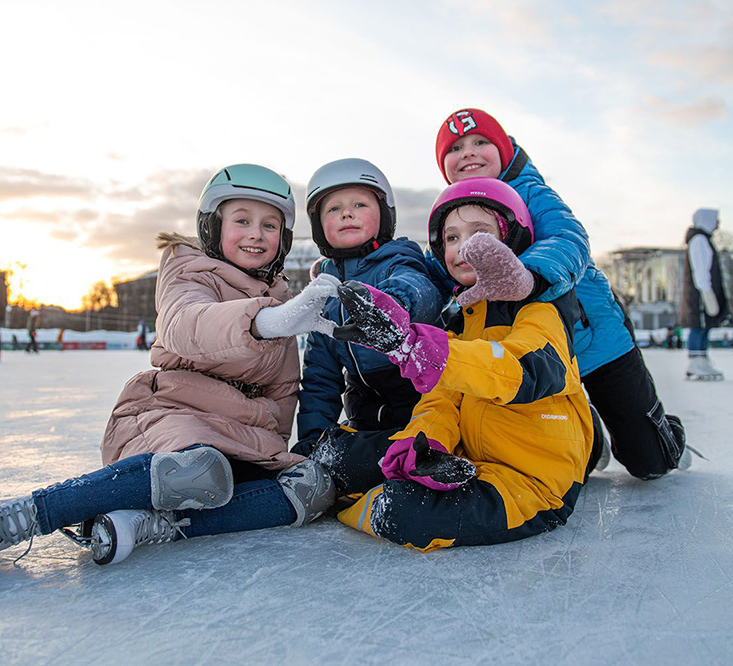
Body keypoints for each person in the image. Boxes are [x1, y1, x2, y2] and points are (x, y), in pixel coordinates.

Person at [0, 164, 339, 578]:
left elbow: (283, 394)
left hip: (244, 440)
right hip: (173, 416)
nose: (255, 234)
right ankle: (22, 516)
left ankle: (152, 525)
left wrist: (288, 451)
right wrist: (266, 321)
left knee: (313, 487)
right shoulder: (188, 273)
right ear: (212, 226)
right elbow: (187, 325)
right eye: (242, 220)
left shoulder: (285, 300)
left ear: (283, 238)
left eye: (269, 225)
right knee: (201, 470)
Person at [327, 178, 596, 550]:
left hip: (530, 478)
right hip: (467, 457)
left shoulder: (541, 308)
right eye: (451, 238)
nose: (463, 248)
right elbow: (441, 399)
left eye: (479, 234)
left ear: (512, 238)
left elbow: (520, 370)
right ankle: (347, 483)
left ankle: (347, 499)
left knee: (400, 511)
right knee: (344, 458)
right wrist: (424, 444)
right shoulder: (460, 315)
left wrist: (422, 350)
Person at [433, 108, 689, 479]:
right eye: (455, 148)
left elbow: (567, 238)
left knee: (649, 462)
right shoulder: (454, 210)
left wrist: (529, 275)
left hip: (593, 337)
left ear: (503, 150)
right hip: (536, 350)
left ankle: (665, 437)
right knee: (562, 457)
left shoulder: (532, 193)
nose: (469, 152)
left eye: (481, 142)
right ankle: (589, 439)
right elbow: (440, 263)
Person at [292, 158, 444, 497]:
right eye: (334, 209)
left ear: (384, 214)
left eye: (360, 204)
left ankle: (413, 465)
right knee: (331, 457)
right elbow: (320, 377)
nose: (347, 213)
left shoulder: (398, 260)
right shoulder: (325, 289)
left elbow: (419, 288)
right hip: (367, 417)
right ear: (319, 225)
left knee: (354, 464)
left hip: (420, 411)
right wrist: (311, 441)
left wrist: (391, 305)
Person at [680, 208, 729, 380]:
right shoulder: (699, 240)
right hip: (700, 292)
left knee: (705, 326)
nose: (718, 224)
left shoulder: (703, 239)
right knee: (698, 326)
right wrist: (706, 290)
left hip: (703, 290)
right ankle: (695, 362)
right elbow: (700, 268)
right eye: (716, 220)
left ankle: (702, 358)